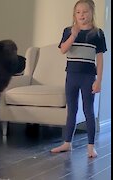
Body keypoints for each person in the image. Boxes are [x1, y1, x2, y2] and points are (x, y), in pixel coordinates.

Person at [51, 0, 107, 158]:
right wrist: (73, 35)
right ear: (74, 14)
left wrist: (99, 80)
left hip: (88, 77)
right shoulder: (68, 31)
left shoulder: (97, 33)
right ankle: (67, 143)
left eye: (85, 11)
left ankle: (91, 146)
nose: (82, 15)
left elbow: (100, 59)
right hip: (71, 76)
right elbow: (63, 50)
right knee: (72, 110)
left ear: (92, 13)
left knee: (88, 110)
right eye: (78, 12)